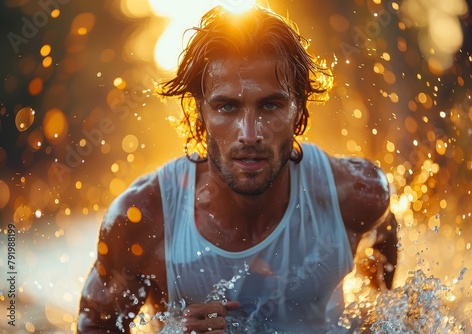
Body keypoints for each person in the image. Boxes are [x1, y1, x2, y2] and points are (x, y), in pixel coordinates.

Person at [77, 5, 398, 333]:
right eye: (227, 107)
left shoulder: (357, 194)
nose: (249, 134)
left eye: (270, 105)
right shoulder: (142, 219)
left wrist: (379, 316)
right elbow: (95, 326)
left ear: (298, 109)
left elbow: (385, 234)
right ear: (199, 111)